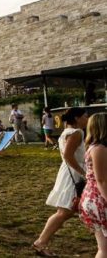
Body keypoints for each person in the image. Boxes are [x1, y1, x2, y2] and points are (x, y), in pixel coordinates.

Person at [33, 107, 88, 256]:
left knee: (66, 211)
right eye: (85, 116)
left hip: (69, 172)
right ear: (77, 118)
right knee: (64, 212)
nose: (87, 119)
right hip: (73, 175)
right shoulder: (77, 133)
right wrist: (84, 173)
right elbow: (69, 156)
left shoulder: (68, 131)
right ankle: (40, 242)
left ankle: (41, 242)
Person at [80, 113, 107, 257]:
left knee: (104, 247)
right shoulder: (99, 149)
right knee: (104, 248)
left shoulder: (95, 147)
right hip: (99, 199)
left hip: (94, 196)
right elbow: (101, 179)